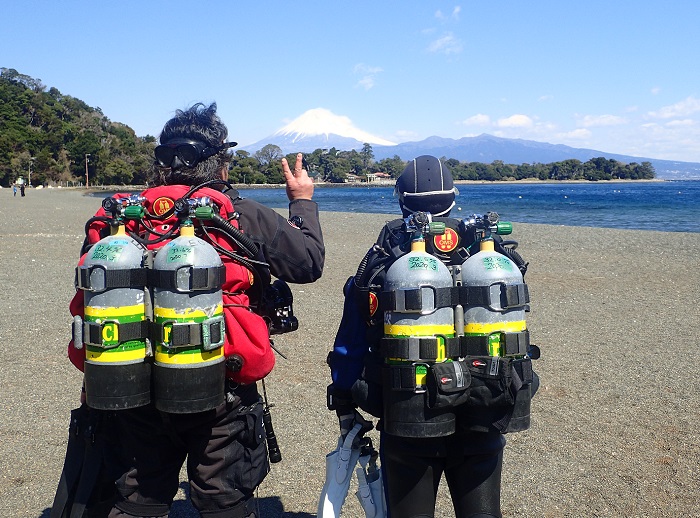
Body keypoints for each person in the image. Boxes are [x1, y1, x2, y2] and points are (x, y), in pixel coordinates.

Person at [65, 102, 325, 517]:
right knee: (222, 500)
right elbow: (308, 262)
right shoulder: (239, 215)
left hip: (130, 376)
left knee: (136, 498)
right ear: (219, 163)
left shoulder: (122, 219)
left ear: (161, 162)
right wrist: (302, 202)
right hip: (220, 378)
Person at [326, 155, 538, 518]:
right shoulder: (489, 255)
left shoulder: (384, 259)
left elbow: (351, 342)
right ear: (454, 198)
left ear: (401, 198)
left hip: (410, 411)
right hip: (485, 409)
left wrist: (345, 401)